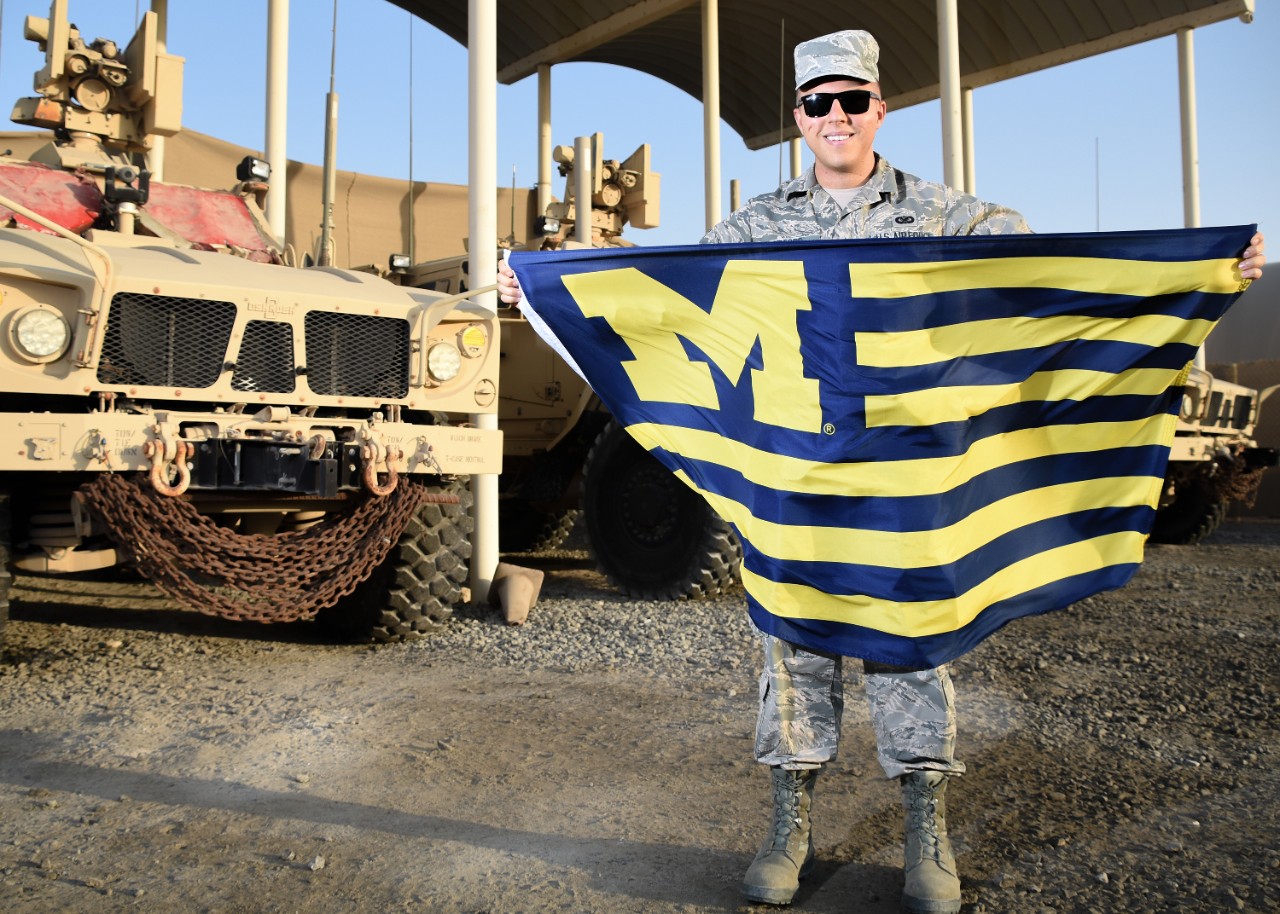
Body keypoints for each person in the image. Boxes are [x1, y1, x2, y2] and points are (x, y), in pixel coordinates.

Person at [497, 28, 1266, 914]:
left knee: (914, 649)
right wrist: (546, 287)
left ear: (877, 109)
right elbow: (668, 300)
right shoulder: (757, 228)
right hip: (796, 491)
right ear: (798, 117)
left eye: (851, 101)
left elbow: (1041, 281)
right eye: (818, 104)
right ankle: (789, 826)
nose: (835, 117)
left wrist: (1204, 273)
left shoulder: (946, 218)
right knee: (792, 652)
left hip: (907, 492)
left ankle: (923, 832)